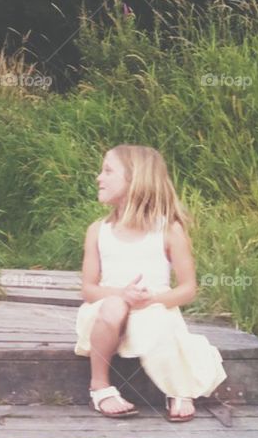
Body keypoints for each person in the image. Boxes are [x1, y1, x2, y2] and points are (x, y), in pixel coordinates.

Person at [76, 144, 228, 421]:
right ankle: (99, 385)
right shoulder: (98, 231)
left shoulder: (168, 230)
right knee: (113, 306)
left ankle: (178, 387)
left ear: (135, 180)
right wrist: (121, 294)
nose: (99, 177)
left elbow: (187, 289)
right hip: (106, 318)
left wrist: (151, 300)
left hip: (153, 311)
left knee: (157, 319)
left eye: (108, 171)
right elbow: (88, 290)